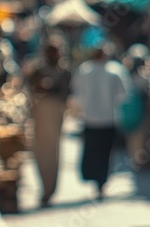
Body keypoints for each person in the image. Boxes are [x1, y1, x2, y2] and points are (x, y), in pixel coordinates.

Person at [70, 44, 131, 200]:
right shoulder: (115, 70)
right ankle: (100, 181)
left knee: (93, 151)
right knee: (105, 153)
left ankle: (97, 181)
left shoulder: (85, 70)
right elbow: (124, 95)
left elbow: (76, 93)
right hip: (107, 119)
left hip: (91, 119)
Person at [29, 41, 72, 207]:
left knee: (53, 151)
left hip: (54, 114)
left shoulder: (65, 73)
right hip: (41, 114)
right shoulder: (37, 71)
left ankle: (49, 189)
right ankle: (44, 187)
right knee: (40, 151)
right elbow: (32, 88)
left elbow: (65, 93)